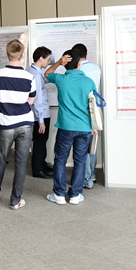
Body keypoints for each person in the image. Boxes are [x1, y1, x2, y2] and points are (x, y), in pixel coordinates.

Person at [0, 40, 35, 209]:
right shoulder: (29, 77)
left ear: (7, 54)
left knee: (0, 160)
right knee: (21, 163)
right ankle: (15, 200)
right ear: (22, 55)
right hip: (25, 123)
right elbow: (31, 100)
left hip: (6, 123)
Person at [44, 49, 97, 205]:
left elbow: (47, 73)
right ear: (79, 64)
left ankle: (59, 195)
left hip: (66, 127)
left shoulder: (61, 79)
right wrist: (94, 125)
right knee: (80, 161)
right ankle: (75, 195)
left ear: (65, 64)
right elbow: (93, 107)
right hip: (85, 127)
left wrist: (58, 63)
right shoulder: (89, 82)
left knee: (60, 160)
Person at [72, 43, 102, 189]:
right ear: (86, 54)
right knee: (92, 145)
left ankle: (86, 178)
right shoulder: (96, 68)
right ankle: (92, 174)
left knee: (81, 147)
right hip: (94, 108)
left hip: (81, 110)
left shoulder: (75, 71)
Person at [27, 46, 53, 179]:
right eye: (48, 59)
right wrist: (41, 121)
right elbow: (37, 99)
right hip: (39, 114)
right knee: (40, 142)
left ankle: (42, 164)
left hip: (34, 114)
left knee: (41, 141)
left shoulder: (30, 70)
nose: (49, 62)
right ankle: (38, 170)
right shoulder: (36, 75)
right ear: (41, 58)